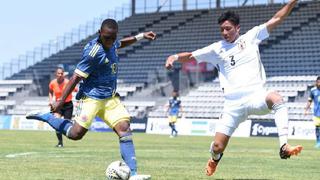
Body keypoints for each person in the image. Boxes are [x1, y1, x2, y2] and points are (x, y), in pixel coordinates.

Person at [165, 0, 302, 176]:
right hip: (232, 105)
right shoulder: (217, 49)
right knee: (217, 147)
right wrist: (174, 56)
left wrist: (293, 2)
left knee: (276, 98)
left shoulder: (252, 36)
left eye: (228, 28)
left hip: (255, 96)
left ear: (238, 28)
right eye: (222, 29)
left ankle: (284, 145)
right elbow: (191, 56)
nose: (224, 32)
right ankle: (214, 159)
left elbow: (277, 18)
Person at [26, 18, 156, 180]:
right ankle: (47, 117)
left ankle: (134, 174)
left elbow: (120, 44)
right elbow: (75, 78)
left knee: (124, 129)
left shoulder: (112, 42)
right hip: (91, 98)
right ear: (99, 33)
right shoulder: (93, 53)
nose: (110, 41)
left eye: (112, 38)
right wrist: (60, 102)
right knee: (75, 134)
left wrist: (141, 36)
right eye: (107, 38)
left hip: (110, 99)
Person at [49, 67, 76, 148]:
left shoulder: (68, 82)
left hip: (68, 105)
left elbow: (76, 89)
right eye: (59, 73)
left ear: (64, 74)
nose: (60, 75)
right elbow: (50, 92)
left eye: (62, 73)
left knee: (67, 124)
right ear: (56, 74)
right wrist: (51, 100)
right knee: (57, 123)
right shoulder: (52, 83)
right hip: (58, 105)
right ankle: (60, 143)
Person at [304, 76, 320, 148]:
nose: (319, 83)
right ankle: (318, 142)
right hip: (316, 113)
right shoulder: (313, 90)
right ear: (316, 82)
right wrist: (306, 110)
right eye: (318, 81)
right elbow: (309, 101)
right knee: (317, 128)